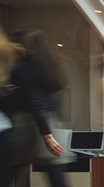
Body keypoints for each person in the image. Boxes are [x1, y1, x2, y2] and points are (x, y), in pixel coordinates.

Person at [0, 29, 69, 187]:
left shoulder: (21, 69)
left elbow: (35, 102)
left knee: (7, 174)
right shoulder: (49, 68)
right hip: (51, 122)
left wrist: (47, 135)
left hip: (26, 126)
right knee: (56, 178)